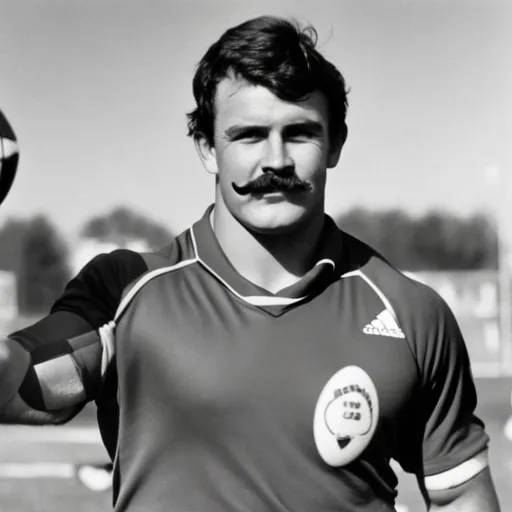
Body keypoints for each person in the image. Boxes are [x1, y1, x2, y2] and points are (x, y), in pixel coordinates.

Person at [0, 15, 501, 512]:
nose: (276, 160)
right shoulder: (126, 289)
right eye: (249, 135)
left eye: (300, 133)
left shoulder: (413, 315)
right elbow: (28, 382)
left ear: (336, 144)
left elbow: (460, 492)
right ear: (207, 149)